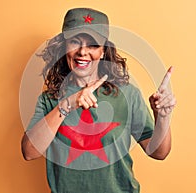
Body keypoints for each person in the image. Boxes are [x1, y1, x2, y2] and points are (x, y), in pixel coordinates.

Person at [21, 7, 176, 193]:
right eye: (75, 42)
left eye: (93, 45)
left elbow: (159, 152)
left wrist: (163, 117)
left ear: (103, 51)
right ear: (64, 48)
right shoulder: (50, 99)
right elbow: (29, 152)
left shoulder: (127, 94)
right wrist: (67, 104)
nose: (82, 52)